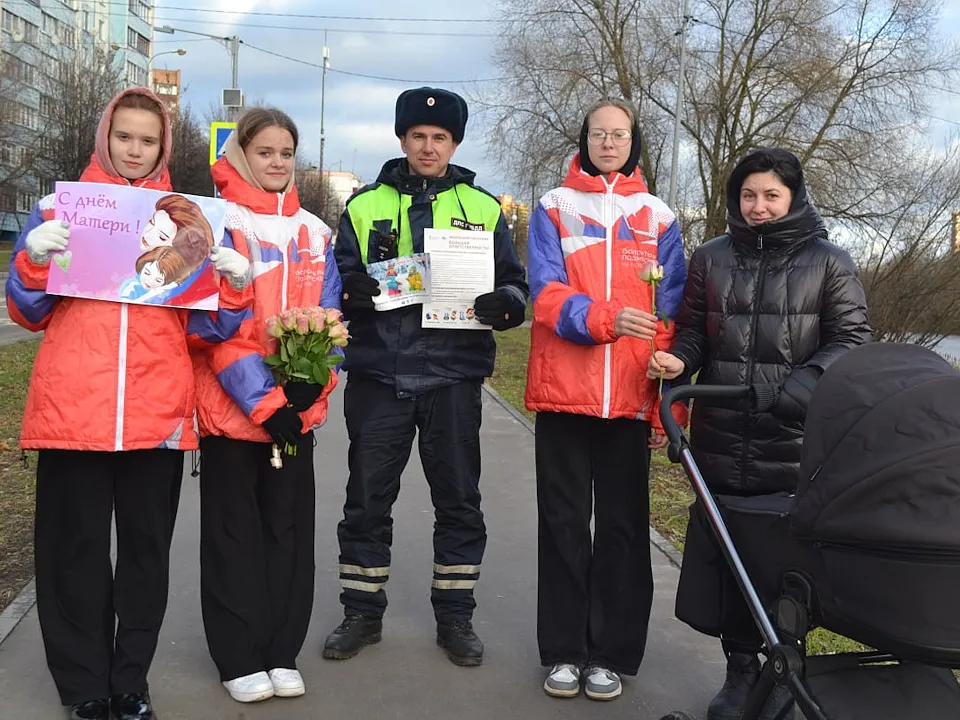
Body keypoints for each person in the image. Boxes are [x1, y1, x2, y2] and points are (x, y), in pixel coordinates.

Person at [4, 87, 254, 720]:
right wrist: (32, 261)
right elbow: (27, 313)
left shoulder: (190, 223)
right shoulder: (59, 210)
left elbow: (207, 332)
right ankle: (84, 687)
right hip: (74, 413)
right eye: (124, 137)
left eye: (147, 139)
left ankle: (130, 682)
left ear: (164, 146)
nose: (135, 150)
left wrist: (232, 287)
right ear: (104, 138)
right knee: (73, 557)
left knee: (146, 558)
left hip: (156, 416)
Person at [648, 148, 871, 720]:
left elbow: (851, 340)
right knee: (732, 559)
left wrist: (801, 386)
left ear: (794, 197)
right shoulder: (711, 257)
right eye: (749, 195)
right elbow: (694, 331)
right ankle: (741, 672)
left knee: (786, 563)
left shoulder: (829, 262)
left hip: (794, 440)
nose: (759, 206)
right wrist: (680, 361)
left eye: (771, 195)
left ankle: (785, 673)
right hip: (721, 434)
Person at [324, 86, 528, 667]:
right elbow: (336, 276)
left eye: (440, 137)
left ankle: (455, 617)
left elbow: (515, 284)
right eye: (418, 135)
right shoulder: (363, 206)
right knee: (366, 501)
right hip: (379, 375)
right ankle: (361, 613)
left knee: (459, 502)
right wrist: (351, 289)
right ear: (402, 138)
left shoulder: (483, 208)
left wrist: (507, 305)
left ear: (454, 143)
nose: (428, 147)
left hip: (452, 377)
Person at [524, 98, 688, 701]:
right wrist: (603, 319)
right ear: (585, 139)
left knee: (623, 529)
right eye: (599, 134)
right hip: (564, 392)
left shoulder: (658, 216)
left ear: (633, 140)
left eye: (619, 134)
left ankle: (610, 655)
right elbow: (545, 291)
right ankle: (564, 652)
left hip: (629, 397)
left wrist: (666, 394)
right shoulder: (554, 206)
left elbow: (670, 310)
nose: (609, 143)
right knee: (563, 525)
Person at [192, 107, 342, 704]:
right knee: (234, 537)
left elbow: (331, 320)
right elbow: (214, 331)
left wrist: (311, 389)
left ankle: (282, 651)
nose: (277, 162)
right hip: (233, 414)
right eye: (264, 152)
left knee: (289, 533)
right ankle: (238, 655)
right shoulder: (218, 224)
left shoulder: (316, 231)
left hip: (295, 417)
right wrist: (267, 402)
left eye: (286, 153)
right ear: (239, 155)